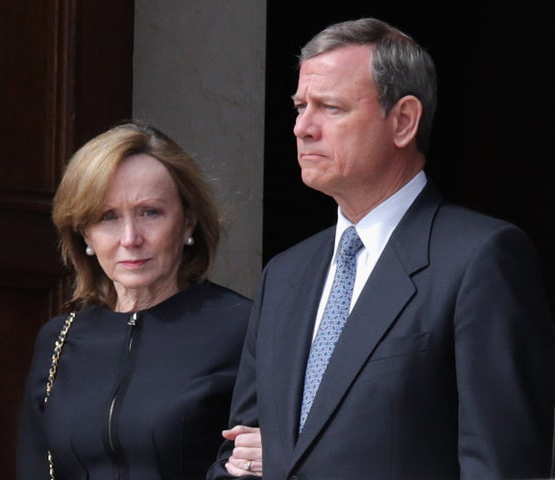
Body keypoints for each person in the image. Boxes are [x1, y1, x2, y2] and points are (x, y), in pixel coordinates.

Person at [208, 17, 555, 479]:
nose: (302, 128)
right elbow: (237, 457)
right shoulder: (284, 274)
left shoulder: (480, 258)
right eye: (299, 107)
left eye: (329, 107)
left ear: (404, 121)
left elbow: (503, 466)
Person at [17, 121, 253, 479]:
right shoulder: (58, 340)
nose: (130, 238)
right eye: (107, 217)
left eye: (150, 212)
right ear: (85, 234)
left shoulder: (245, 327)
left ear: (188, 222)